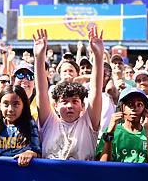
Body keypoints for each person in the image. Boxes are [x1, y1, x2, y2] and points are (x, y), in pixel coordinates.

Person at [34, 27, 103, 160]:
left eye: (75, 101)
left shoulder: (88, 123)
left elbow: (95, 91)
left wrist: (98, 56)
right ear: (55, 105)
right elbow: (42, 91)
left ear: (83, 106)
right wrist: (39, 57)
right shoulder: (49, 122)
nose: (70, 106)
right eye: (64, 102)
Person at [96, 87, 148, 163]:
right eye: (130, 104)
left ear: (145, 110)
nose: (134, 108)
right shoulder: (112, 131)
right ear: (122, 108)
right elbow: (103, 164)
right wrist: (110, 133)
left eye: (139, 104)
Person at [0, 85, 41, 166]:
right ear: (0, 105)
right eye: (6, 104)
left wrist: (30, 153)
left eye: (16, 104)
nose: (10, 109)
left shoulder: (29, 123)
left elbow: (37, 151)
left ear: (23, 105)